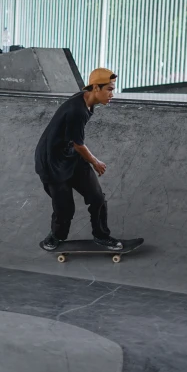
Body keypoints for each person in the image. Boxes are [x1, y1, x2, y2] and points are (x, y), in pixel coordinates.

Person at [35, 68, 123, 251]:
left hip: (70, 156)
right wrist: (95, 162)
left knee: (97, 197)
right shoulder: (77, 110)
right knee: (65, 208)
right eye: (109, 89)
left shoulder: (88, 102)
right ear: (96, 89)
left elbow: (74, 145)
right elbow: (78, 144)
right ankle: (55, 237)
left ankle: (101, 236)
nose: (112, 94)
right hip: (51, 161)